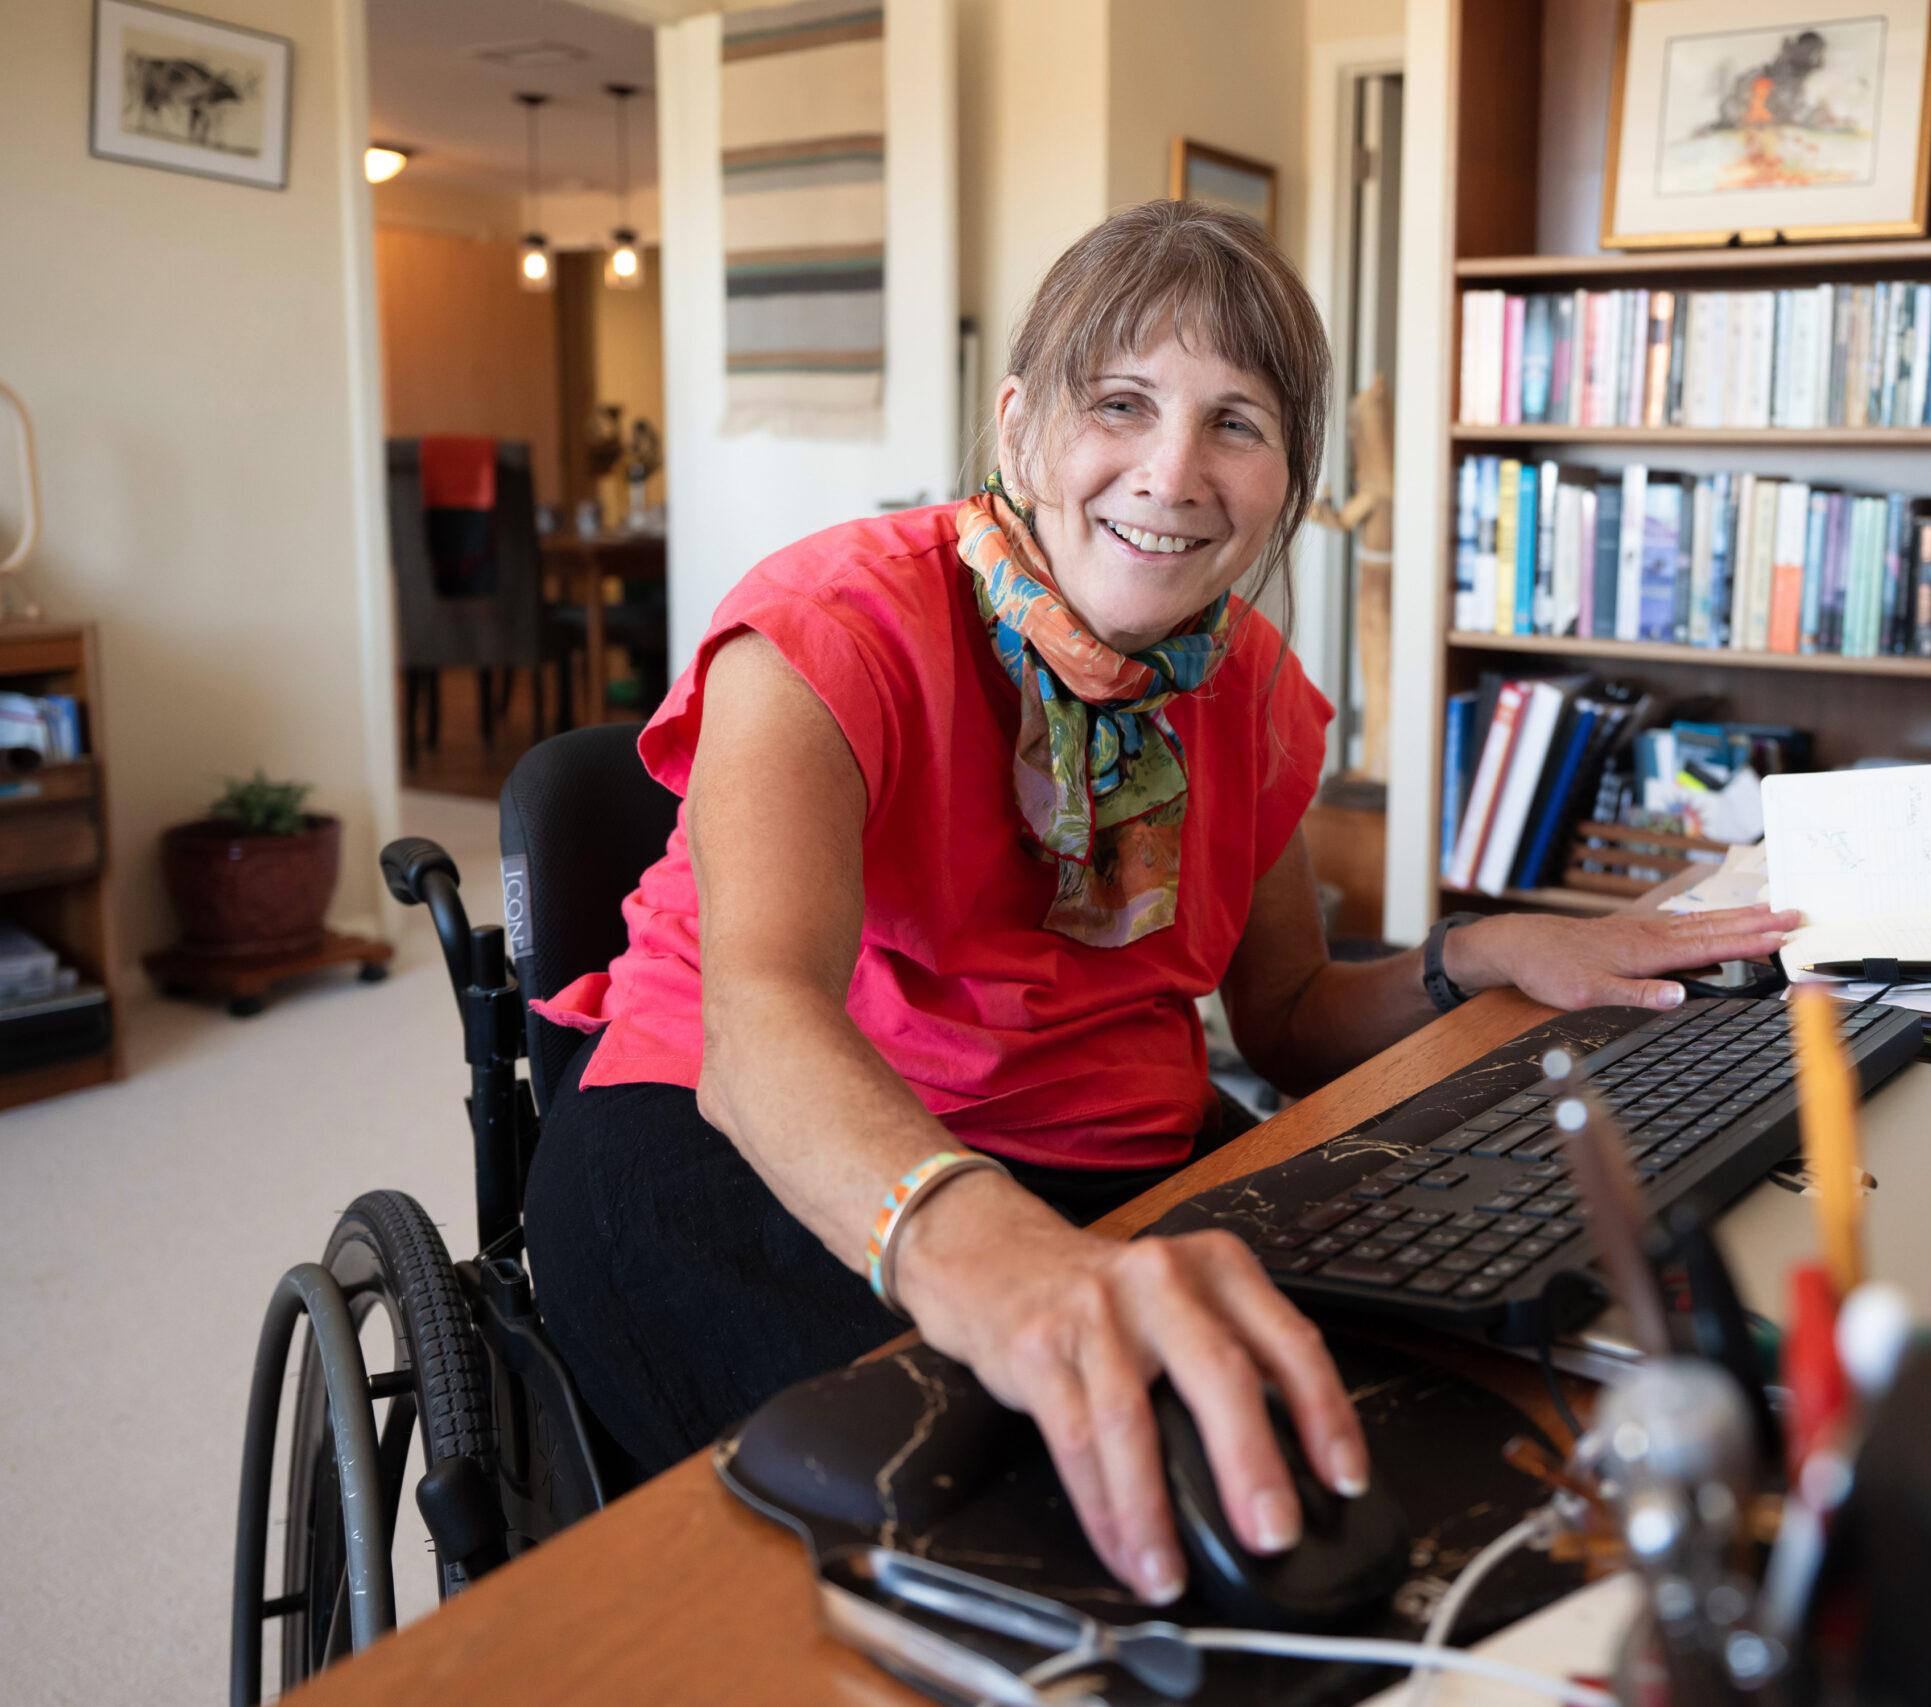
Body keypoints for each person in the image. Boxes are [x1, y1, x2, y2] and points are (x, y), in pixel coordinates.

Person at [521, 200, 1797, 1607]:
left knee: (1391, 1440)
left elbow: (1293, 1016)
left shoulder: (1243, 686)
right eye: (1120, 404)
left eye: (1237, 424)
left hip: (1109, 1165)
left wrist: (1481, 949)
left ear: (1287, 484)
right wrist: (993, 1248)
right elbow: (760, 1022)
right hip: (758, 1150)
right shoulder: (831, 624)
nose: (1173, 471)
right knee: (1052, 1546)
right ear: (1018, 430)